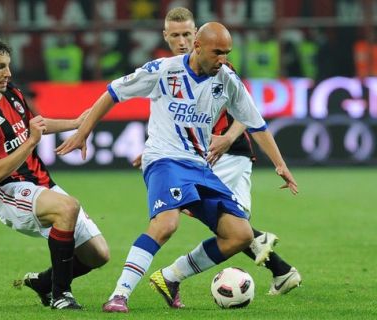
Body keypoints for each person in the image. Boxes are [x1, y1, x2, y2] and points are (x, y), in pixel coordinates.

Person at [55, 21, 298, 313]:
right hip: (164, 160)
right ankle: (119, 295)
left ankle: (171, 277)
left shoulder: (227, 79)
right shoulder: (162, 70)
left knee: (241, 235)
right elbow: (113, 92)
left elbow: (256, 123)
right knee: (167, 223)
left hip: (200, 166)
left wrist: (280, 165)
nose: (223, 59)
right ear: (198, 47)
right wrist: (84, 131)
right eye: (217, 52)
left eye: (227, 52)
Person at [140, 7, 302, 308]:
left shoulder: (219, 66)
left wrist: (228, 137)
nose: (182, 41)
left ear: (197, 36)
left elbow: (248, 113)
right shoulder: (173, 72)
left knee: (229, 222)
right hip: (201, 157)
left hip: (229, 153)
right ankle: (277, 266)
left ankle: (269, 258)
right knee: (224, 222)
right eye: (175, 36)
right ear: (166, 37)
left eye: (187, 34)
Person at [0, 36, 109, 310]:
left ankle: (43, 283)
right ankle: (60, 294)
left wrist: (77, 123)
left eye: (8, 66)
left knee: (98, 255)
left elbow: (36, 125)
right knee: (68, 207)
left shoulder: (12, 93)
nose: (8, 73)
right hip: (6, 192)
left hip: (41, 183)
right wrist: (30, 142)